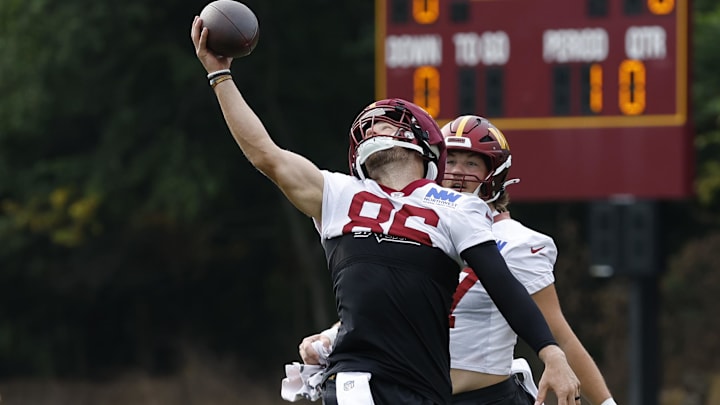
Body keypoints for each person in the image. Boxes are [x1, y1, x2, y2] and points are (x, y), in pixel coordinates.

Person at [190, 17, 580, 405]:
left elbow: (503, 284)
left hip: (423, 388)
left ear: (426, 148)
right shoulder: (337, 193)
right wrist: (220, 76)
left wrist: (551, 352)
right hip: (355, 380)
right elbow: (266, 154)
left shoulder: (457, 207)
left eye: (391, 126)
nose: (378, 129)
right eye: (372, 125)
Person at [299, 115, 616, 404]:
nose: (457, 173)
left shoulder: (519, 244)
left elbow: (557, 333)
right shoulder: (418, 227)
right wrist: (333, 335)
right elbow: (391, 306)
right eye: (452, 161)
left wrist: (605, 403)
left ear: (493, 174)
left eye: (471, 164)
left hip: (484, 397)